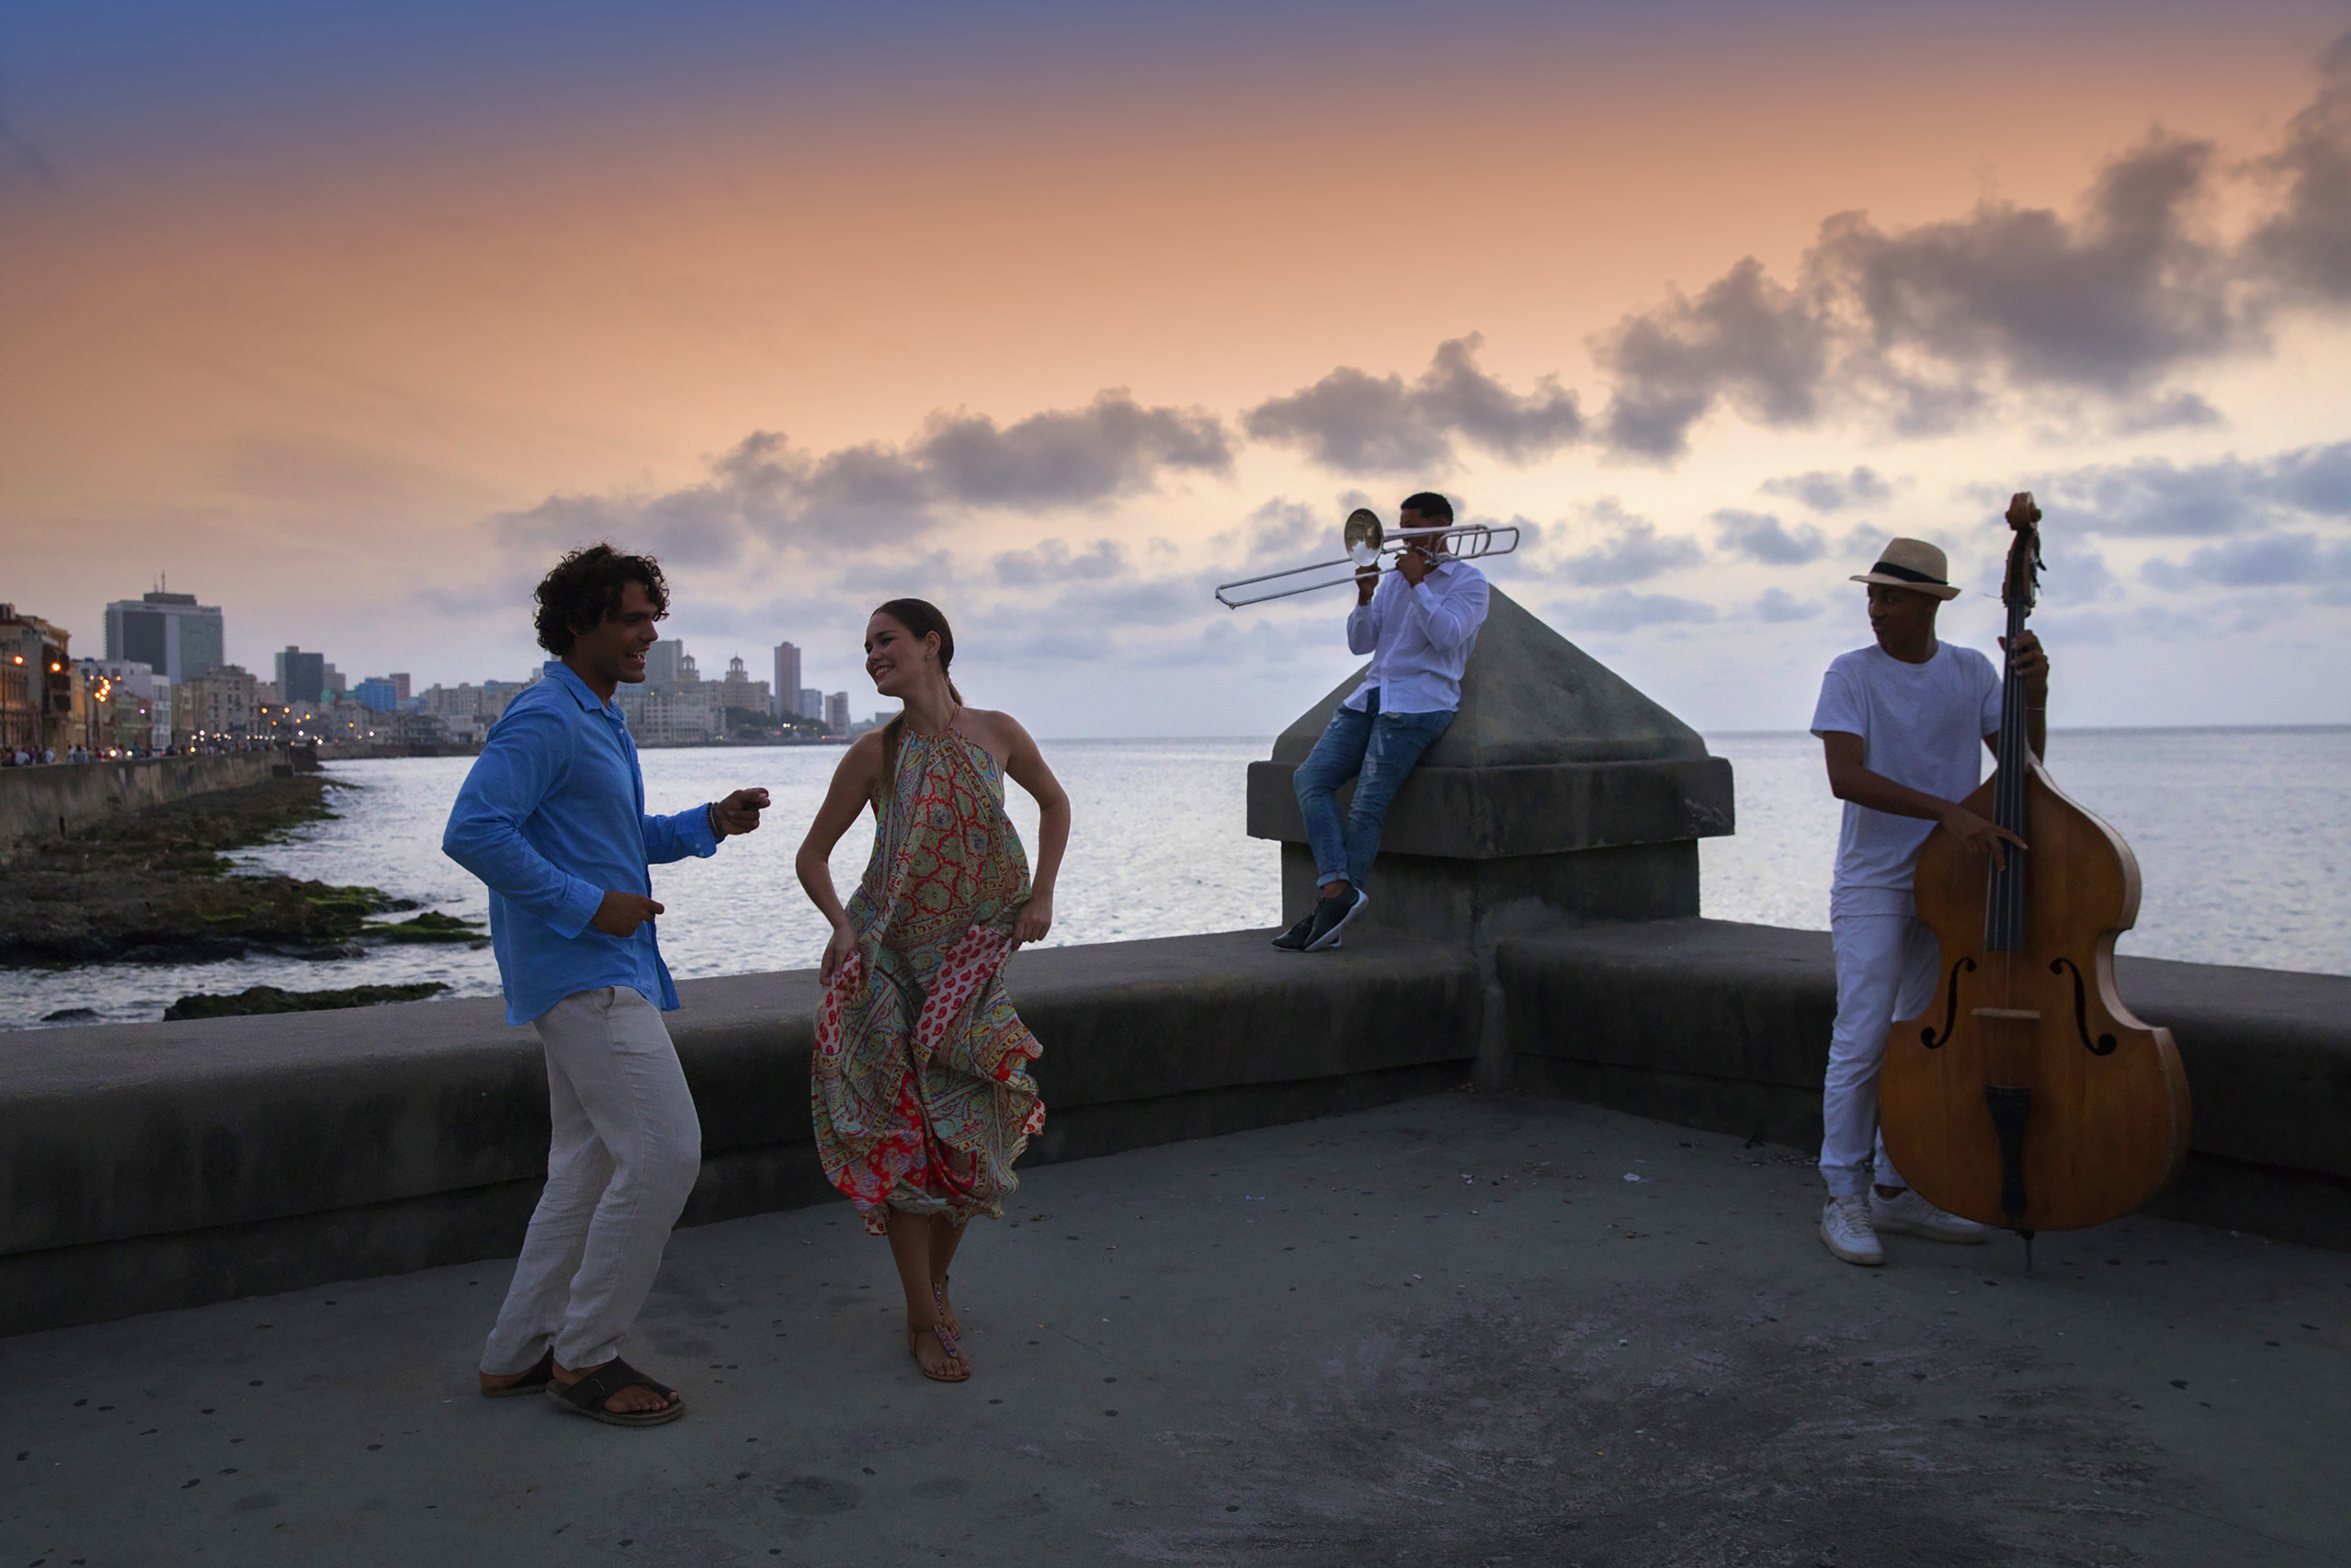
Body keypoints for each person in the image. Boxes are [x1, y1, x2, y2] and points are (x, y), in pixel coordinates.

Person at [445, 543, 770, 1426]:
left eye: (652, 618)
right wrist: (591, 905)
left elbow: (614, 837)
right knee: (665, 1150)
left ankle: (518, 1350)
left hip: (595, 963)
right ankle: (584, 1354)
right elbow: (473, 830)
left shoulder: (597, 716)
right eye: (631, 619)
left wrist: (708, 822)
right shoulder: (547, 716)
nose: (648, 634)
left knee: (585, 1167)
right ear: (579, 622)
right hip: (582, 970)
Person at [796, 599, 1068, 1384]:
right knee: (905, 1146)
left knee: (973, 1139)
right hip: (885, 968)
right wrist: (842, 926)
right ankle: (922, 1317)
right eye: (866, 646)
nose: (872, 655)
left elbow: (1054, 802)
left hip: (969, 968)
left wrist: (1042, 893)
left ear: (932, 644)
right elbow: (812, 856)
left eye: (885, 640)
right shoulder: (875, 752)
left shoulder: (997, 732)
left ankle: (935, 1283)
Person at [1810, 535, 2048, 1267]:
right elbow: (1846, 777)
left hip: (1949, 883)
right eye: (1872, 596)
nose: (1876, 609)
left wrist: (2035, 694)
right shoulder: (1851, 673)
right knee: (1862, 1034)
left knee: (1921, 1033)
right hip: (1875, 881)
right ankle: (1842, 1190)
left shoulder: (1971, 670)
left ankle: (1896, 1185)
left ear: (1928, 605)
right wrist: (1947, 811)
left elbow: (2026, 768)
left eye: (1890, 597)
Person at [1273, 492, 1490, 953]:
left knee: (1366, 807)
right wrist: (1365, 596)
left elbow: (1447, 636)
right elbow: (1361, 644)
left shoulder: (1469, 582)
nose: (1401, 536)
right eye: (1401, 525)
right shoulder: (1393, 580)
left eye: (1413, 527)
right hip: (1372, 695)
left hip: (1420, 704)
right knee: (1310, 779)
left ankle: (1329, 916)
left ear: (1442, 527)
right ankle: (1337, 891)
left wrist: (1419, 584)